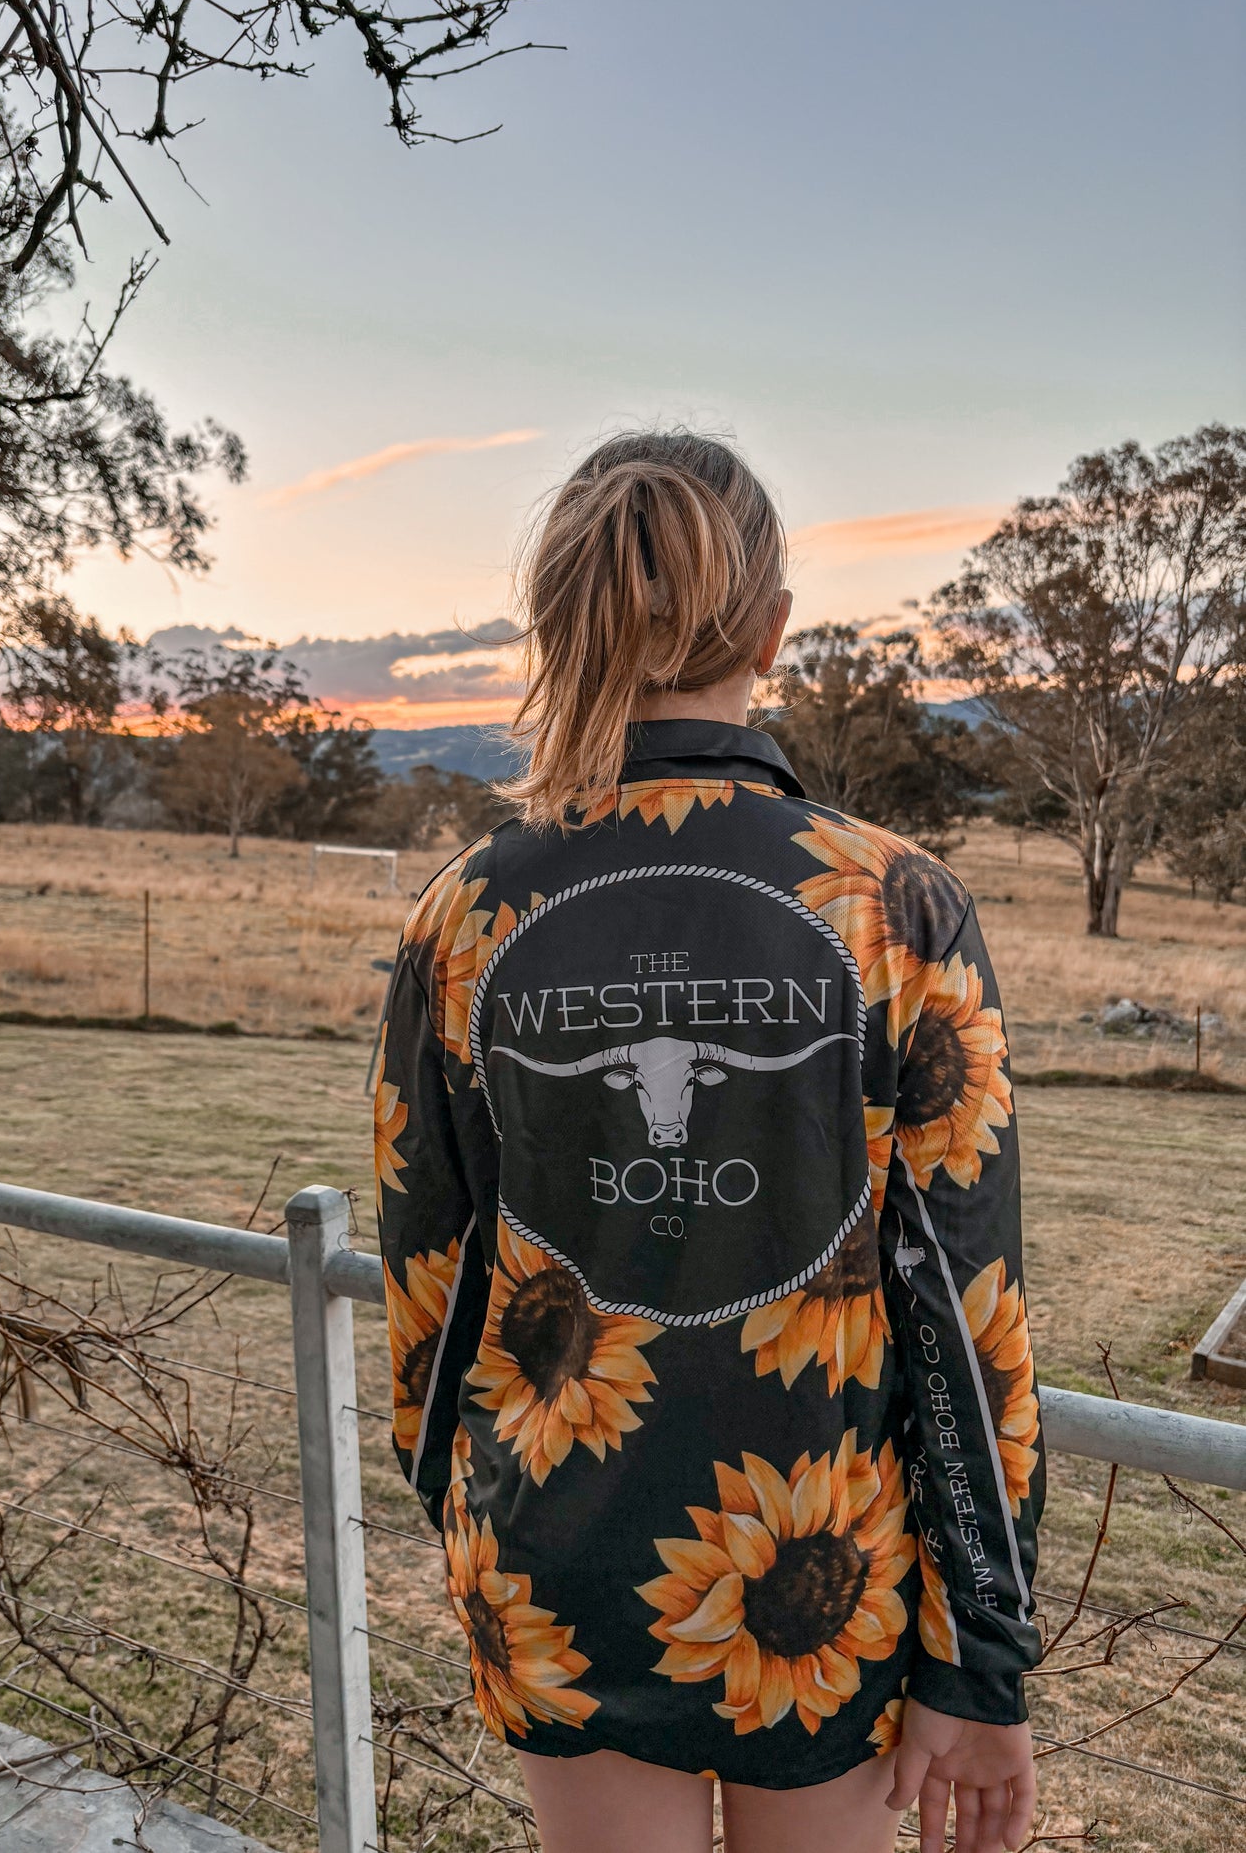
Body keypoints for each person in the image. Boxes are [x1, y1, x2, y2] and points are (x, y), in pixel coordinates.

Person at [374, 430, 1044, 1853]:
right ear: (772, 629)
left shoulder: (463, 913)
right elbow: (966, 1308)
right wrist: (976, 1655)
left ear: (558, 625)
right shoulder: (895, 904)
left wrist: (473, 1506)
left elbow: (426, 1272)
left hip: (553, 1558)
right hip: (822, 1574)